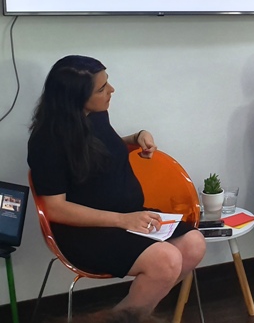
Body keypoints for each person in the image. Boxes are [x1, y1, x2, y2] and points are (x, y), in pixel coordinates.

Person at [27, 55, 206, 315]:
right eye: (101, 88)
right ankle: (126, 318)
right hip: (85, 231)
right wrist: (122, 220)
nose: (111, 90)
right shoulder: (47, 141)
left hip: (128, 218)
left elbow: (97, 152)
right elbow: (55, 208)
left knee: (194, 244)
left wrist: (136, 137)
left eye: (107, 83)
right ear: (74, 97)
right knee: (166, 260)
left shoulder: (96, 115)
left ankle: (125, 315)